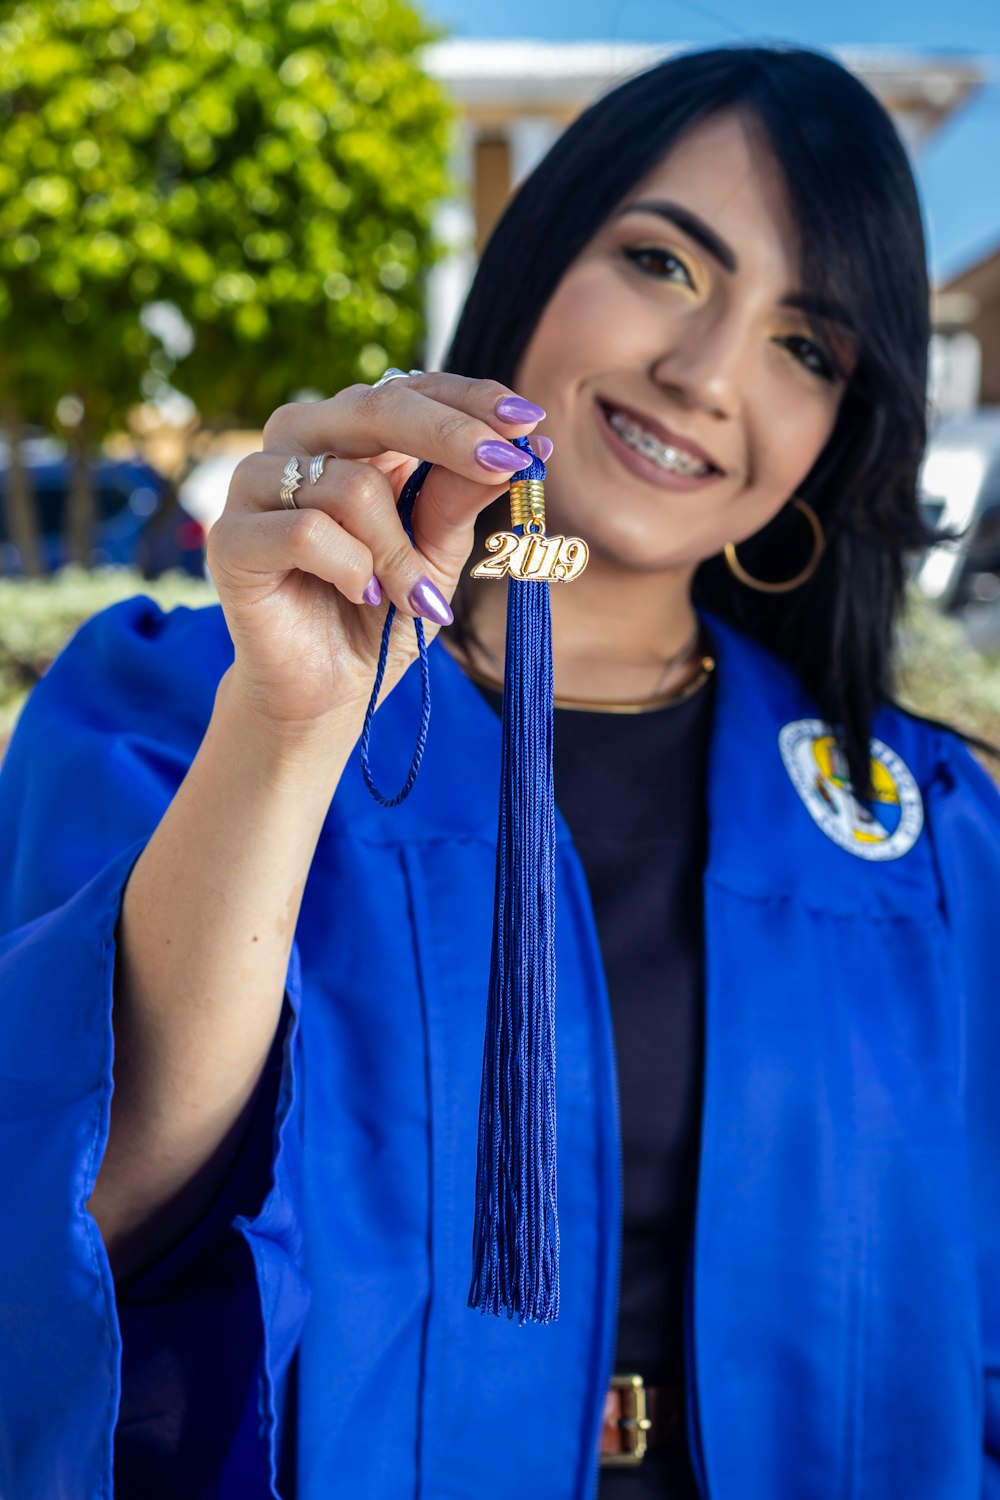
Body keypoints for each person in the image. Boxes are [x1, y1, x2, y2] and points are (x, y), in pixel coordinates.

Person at [1, 42, 998, 1500]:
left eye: (809, 346)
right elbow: (74, 1227)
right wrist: (286, 734)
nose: (705, 372)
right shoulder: (169, 703)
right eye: (663, 263)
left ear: (842, 426)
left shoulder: (928, 841)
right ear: (534, 259)